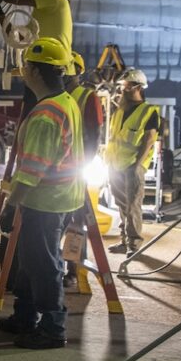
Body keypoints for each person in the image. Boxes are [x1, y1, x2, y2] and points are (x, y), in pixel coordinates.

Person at [0, 37, 83, 349]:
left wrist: (10, 203)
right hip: (61, 198)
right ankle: (25, 316)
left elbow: (32, 171)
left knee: (44, 264)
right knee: (30, 259)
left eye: (25, 66)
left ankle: (52, 327)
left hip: (46, 202)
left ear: (33, 70)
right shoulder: (67, 102)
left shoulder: (46, 114)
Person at [105, 68, 160, 256]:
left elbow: (149, 140)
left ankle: (134, 244)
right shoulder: (119, 111)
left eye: (125, 86)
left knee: (133, 205)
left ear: (136, 87)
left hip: (132, 166)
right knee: (121, 204)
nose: (122, 90)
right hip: (114, 164)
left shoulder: (148, 111)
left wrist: (137, 165)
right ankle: (124, 241)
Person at [63, 52, 104, 286]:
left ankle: (73, 270)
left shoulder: (88, 97)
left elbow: (95, 134)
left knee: (76, 222)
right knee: (62, 221)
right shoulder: (59, 96)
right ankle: (65, 268)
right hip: (59, 169)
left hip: (75, 169)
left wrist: (84, 165)